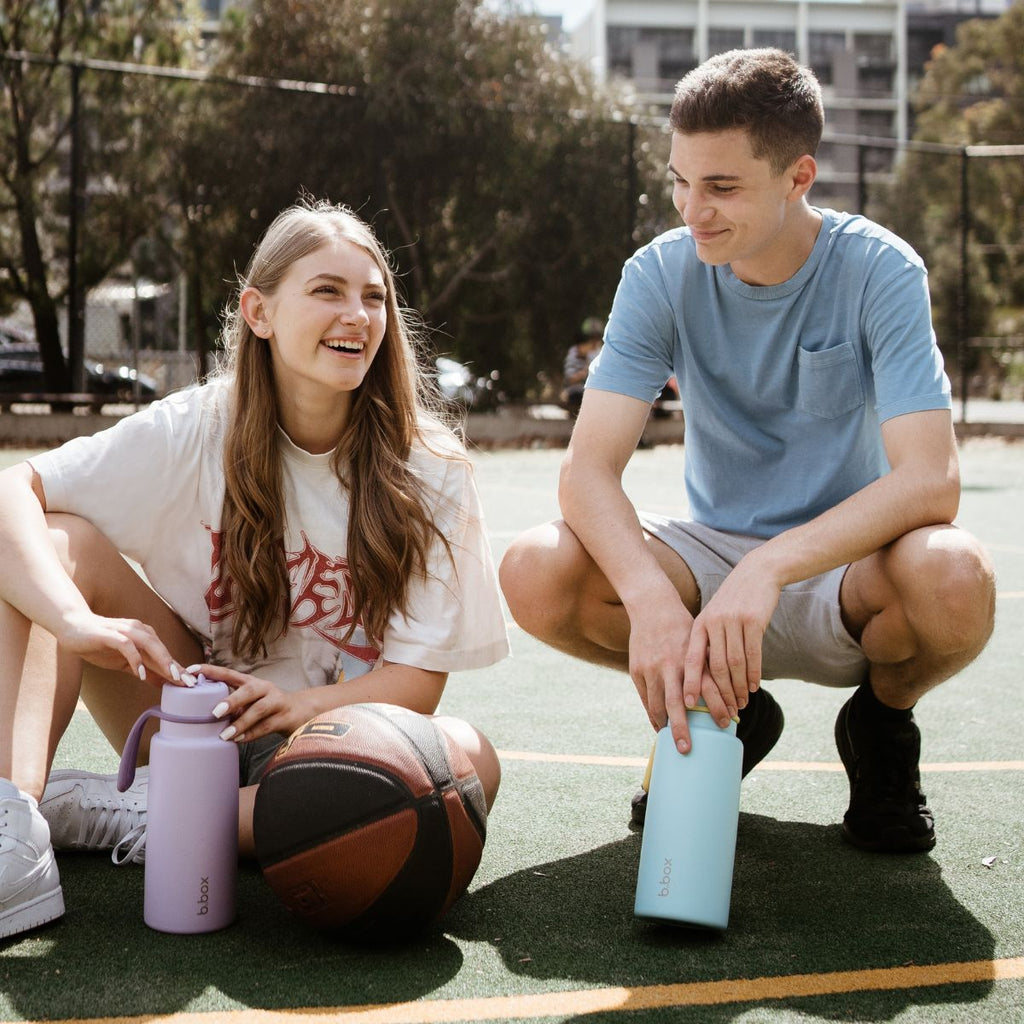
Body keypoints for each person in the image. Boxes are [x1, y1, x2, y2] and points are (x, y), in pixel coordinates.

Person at [500, 49, 995, 855]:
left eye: (721, 187)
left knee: (954, 573)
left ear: (798, 177)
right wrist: (656, 604)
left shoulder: (881, 269)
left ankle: (881, 721)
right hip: (709, 563)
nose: (693, 210)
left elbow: (930, 477)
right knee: (535, 566)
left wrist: (769, 569)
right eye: (679, 181)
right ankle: (729, 706)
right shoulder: (658, 274)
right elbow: (587, 470)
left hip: (850, 569)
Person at [0, 199, 510, 940]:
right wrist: (75, 621)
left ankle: (161, 812)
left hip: (331, 746)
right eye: (328, 291)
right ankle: (12, 823)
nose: (358, 315)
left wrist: (296, 710)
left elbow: (418, 683)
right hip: (189, 713)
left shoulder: (429, 468)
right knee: (54, 541)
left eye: (374, 297)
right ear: (259, 312)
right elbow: (14, 489)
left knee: (468, 759)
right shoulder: (198, 427)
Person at [561, 318, 604, 418]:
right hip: (578, 393)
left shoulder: (599, 352)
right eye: (592, 338)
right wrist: (587, 371)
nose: (594, 342)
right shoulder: (575, 353)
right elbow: (570, 378)